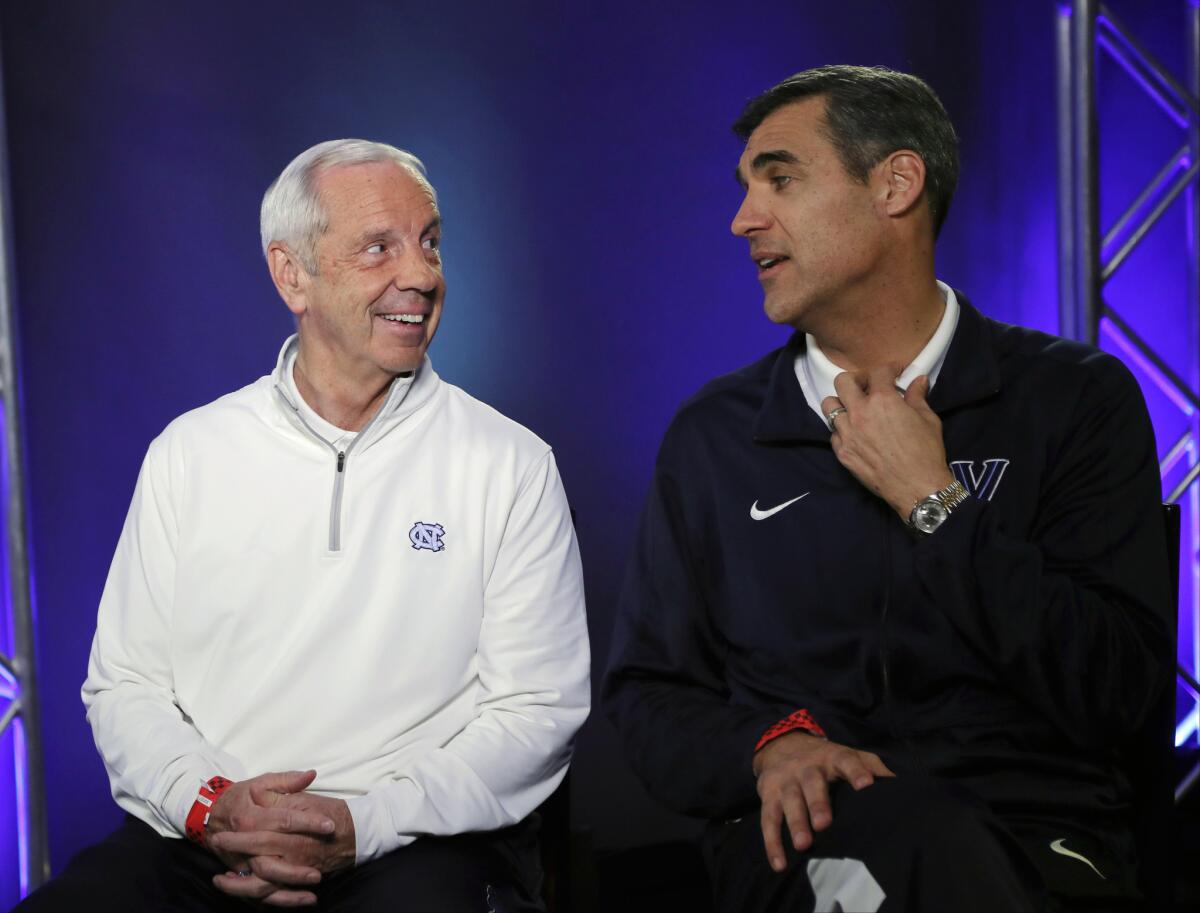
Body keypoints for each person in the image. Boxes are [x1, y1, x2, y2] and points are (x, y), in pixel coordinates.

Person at [603, 65, 1171, 912]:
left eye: (781, 179)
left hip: (1038, 843)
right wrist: (767, 747)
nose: (743, 219)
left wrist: (934, 503)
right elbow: (649, 696)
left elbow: (1121, 695)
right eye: (746, 187)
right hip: (807, 841)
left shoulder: (1075, 399)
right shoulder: (714, 434)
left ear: (895, 184)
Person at [19, 139, 590, 912]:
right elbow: (126, 685)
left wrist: (363, 820)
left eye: (430, 243)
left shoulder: (512, 464)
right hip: (207, 838)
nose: (421, 275)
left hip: (409, 844)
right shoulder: (191, 452)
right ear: (293, 275)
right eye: (379, 247)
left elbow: (536, 713)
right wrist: (212, 803)